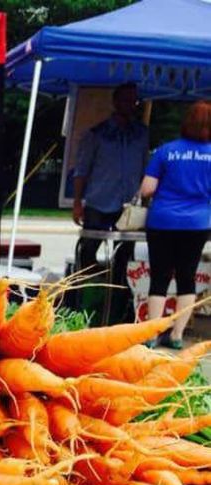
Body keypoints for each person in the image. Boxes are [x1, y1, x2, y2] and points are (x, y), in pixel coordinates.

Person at [71, 83, 149, 320]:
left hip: (129, 206)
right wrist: (77, 201)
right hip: (99, 201)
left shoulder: (142, 134)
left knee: (124, 257)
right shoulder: (97, 134)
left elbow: (146, 167)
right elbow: (81, 170)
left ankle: (119, 307)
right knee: (88, 252)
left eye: (134, 101)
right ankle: (81, 302)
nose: (130, 106)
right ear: (116, 102)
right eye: (126, 101)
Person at [140, 100, 211, 349]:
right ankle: (177, 336)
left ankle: (151, 334)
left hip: (162, 221)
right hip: (197, 223)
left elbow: (147, 188)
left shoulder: (166, 151)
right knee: (187, 277)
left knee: (159, 277)